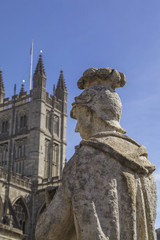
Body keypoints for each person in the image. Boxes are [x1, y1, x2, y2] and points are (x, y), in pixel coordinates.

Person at [36, 68, 157, 240]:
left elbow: (47, 234)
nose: (76, 128)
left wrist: (56, 199)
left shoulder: (83, 160)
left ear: (90, 113)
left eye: (78, 118)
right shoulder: (145, 167)